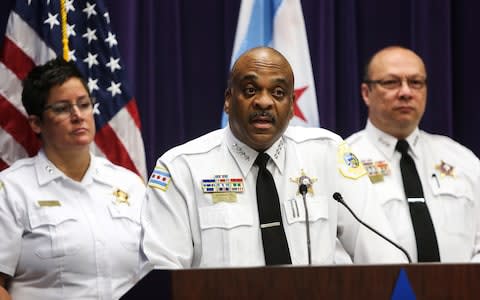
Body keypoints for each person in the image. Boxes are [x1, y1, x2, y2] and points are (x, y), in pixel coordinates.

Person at [142, 47, 407, 268]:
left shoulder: (327, 154)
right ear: (227, 100)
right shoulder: (181, 169)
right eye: (249, 90)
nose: (264, 102)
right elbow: (163, 277)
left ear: (292, 106)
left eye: (278, 93)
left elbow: (382, 256)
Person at [0, 58, 149, 299]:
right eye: (61, 108)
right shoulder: (11, 189)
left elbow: (159, 269)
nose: (78, 115)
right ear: (36, 123)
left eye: (84, 104)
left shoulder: (129, 184)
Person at [347, 46, 480, 262]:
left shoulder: (462, 159)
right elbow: (333, 252)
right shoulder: (342, 162)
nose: (406, 92)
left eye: (416, 82)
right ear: (366, 93)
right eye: (391, 82)